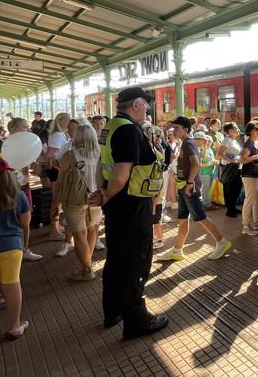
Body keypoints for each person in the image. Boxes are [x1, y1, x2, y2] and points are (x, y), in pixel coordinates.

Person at [91, 87, 168, 339]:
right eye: (145, 104)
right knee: (136, 262)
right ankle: (137, 320)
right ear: (135, 104)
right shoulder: (130, 130)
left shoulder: (110, 127)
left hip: (117, 206)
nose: (147, 108)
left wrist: (103, 192)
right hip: (132, 205)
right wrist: (108, 194)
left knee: (116, 259)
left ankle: (112, 310)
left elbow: (103, 164)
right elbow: (122, 174)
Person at [156, 116, 232, 262]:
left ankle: (222, 242)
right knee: (183, 219)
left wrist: (190, 183)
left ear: (186, 129)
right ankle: (177, 250)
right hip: (184, 187)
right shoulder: (185, 143)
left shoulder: (188, 144)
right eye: (173, 128)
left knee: (200, 216)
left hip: (189, 189)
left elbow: (196, 164)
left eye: (177, 128)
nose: (174, 131)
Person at [54, 124, 102, 281]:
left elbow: (60, 181)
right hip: (97, 198)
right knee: (93, 230)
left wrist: (56, 202)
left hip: (75, 200)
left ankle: (87, 270)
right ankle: (87, 265)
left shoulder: (69, 155)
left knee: (79, 235)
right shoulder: (100, 153)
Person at [0, 155, 31, 340]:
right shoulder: (18, 195)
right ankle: (15, 326)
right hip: (12, 248)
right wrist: (24, 247)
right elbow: (25, 224)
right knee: (12, 285)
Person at [6, 118, 42, 261]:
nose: (28, 130)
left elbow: (27, 167)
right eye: (25, 127)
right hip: (7, 188)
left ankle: (25, 249)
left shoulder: (26, 146)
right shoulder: (4, 146)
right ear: (14, 129)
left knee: (26, 219)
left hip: (24, 187)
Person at [46, 112, 71, 241]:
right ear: (60, 121)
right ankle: (54, 230)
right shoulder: (57, 135)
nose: (69, 122)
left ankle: (57, 226)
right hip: (57, 172)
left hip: (59, 170)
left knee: (59, 201)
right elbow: (49, 155)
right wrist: (56, 164)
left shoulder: (60, 134)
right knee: (56, 201)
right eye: (68, 119)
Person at [240, 121, 258, 236]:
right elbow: (243, 159)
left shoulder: (257, 143)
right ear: (250, 131)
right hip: (249, 175)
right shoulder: (248, 144)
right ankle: (246, 226)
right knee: (250, 200)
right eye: (256, 129)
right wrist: (255, 156)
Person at [216, 122, 243, 218]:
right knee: (230, 189)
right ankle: (230, 210)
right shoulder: (227, 140)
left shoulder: (233, 140)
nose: (238, 130)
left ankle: (232, 207)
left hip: (236, 168)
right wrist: (231, 160)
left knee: (236, 188)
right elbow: (219, 154)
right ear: (230, 131)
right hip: (229, 168)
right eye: (236, 128)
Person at [194, 132, 215, 209]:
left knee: (205, 189)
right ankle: (206, 204)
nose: (205, 141)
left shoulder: (204, 148)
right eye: (203, 140)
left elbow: (204, 157)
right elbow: (199, 162)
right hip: (202, 172)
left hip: (208, 172)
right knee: (204, 189)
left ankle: (204, 204)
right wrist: (210, 164)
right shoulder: (197, 148)